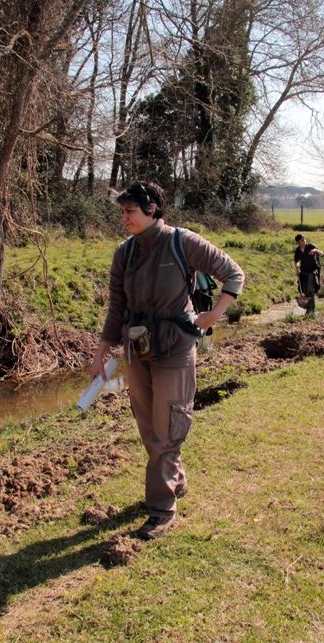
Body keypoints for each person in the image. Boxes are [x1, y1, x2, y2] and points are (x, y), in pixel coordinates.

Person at [90, 181, 244, 541]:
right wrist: (100, 355)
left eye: (130, 211)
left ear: (153, 210)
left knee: (169, 424)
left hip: (175, 347)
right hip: (137, 349)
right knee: (149, 426)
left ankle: (161, 510)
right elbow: (116, 309)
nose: (124, 218)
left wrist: (212, 316)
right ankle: (176, 480)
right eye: (122, 211)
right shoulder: (123, 254)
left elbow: (233, 274)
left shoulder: (183, 242)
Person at [293, 234, 324, 317]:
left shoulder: (311, 246)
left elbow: (322, 254)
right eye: (302, 240)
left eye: (304, 239)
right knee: (305, 291)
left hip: (313, 271)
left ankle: (312, 311)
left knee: (311, 290)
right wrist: (297, 269)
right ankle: (308, 311)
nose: (304, 241)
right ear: (298, 242)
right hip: (303, 272)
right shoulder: (297, 250)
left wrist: (315, 250)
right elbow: (296, 261)